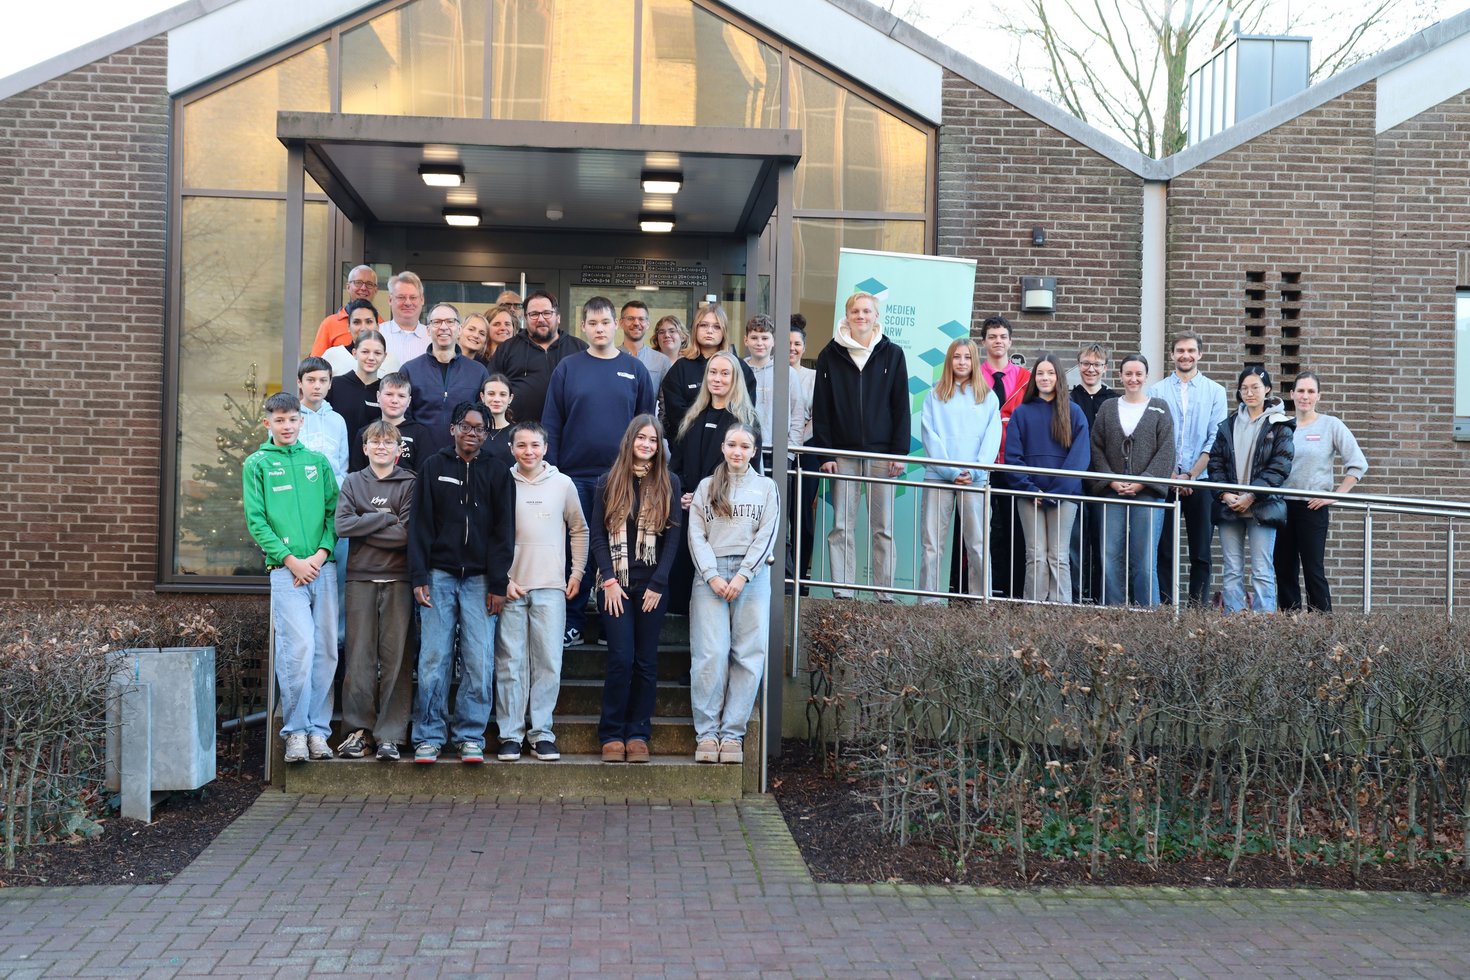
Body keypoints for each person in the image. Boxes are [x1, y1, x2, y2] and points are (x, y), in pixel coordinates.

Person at [543, 296, 657, 646]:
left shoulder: (634, 369)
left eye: (605, 322)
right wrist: (555, 474)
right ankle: (572, 623)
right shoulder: (567, 367)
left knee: (616, 549)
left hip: (621, 478)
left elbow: (646, 425)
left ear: (616, 324)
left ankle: (613, 626)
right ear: (583, 327)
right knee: (577, 551)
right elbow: (553, 423)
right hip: (574, 476)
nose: (599, 329)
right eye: (592, 323)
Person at [408, 402, 515, 765]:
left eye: (480, 428)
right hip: (438, 576)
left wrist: (498, 585)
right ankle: (429, 735)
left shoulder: (498, 473)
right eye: (466, 427)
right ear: (453, 428)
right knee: (433, 658)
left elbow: (505, 533)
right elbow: (419, 526)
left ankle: (470, 734)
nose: (472, 433)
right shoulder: (433, 468)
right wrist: (419, 575)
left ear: (487, 433)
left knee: (479, 659)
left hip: (481, 581)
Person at [242, 392, 339, 764]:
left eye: (292, 419)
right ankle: (295, 732)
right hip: (286, 574)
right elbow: (257, 520)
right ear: (267, 422)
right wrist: (291, 560)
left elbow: (334, 513)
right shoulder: (257, 464)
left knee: (326, 652)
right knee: (298, 651)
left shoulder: (318, 462)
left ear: (302, 421)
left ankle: (318, 731)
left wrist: (319, 555)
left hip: (322, 569)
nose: (286, 426)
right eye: (279, 420)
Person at [494, 421, 588, 763]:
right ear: (511, 448)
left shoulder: (563, 484)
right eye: (521, 445)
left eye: (535, 445)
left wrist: (576, 572)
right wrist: (501, 579)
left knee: (548, 662)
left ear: (545, 448)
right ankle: (510, 734)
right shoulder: (502, 481)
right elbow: (490, 535)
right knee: (510, 663)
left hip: (550, 588)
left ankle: (541, 732)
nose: (528, 451)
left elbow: (579, 529)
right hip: (512, 588)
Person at [687, 422, 780, 765]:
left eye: (745, 446)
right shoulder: (706, 487)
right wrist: (712, 576)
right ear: (723, 448)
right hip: (709, 578)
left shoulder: (767, 488)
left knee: (746, 655)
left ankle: (732, 735)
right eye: (731, 445)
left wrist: (743, 576)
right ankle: (707, 733)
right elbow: (696, 535)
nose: (737, 452)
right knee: (710, 655)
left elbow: (767, 534)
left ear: (754, 451)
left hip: (751, 579)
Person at [591, 416, 681, 763]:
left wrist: (659, 583)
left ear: (660, 447)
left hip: (652, 587)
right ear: (630, 441)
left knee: (646, 661)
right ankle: (612, 732)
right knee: (620, 658)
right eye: (641, 438)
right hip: (615, 585)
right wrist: (609, 580)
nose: (647, 445)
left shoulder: (669, 482)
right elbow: (598, 536)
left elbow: (673, 537)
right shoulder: (607, 482)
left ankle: (638, 732)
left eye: (653, 440)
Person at [811, 291, 910, 600]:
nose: (862, 316)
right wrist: (826, 453)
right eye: (856, 311)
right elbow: (822, 407)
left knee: (884, 528)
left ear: (876, 316)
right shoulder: (830, 354)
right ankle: (843, 591)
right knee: (841, 526)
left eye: (867, 311)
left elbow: (900, 406)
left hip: (882, 454)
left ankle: (884, 593)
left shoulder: (892, 354)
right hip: (843, 453)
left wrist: (899, 452)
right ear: (848, 315)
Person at [333, 420, 415, 762]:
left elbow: (407, 536)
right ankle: (357, 732)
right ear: (364, 448)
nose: (381, 447)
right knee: (359, 659)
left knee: (397, 660)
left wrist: (365, 523)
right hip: (360, 580)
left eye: (388, 442)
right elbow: (342, 526)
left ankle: (390, 736)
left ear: (399, 450)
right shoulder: (353, 481)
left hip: (399, 580)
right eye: (375, 442)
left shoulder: (410, 482)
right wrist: (385, 518)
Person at [670, 350, 763, 612]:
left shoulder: (746, 422)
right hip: (689, 514)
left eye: (725, 373)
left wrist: (705, 497)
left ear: (735, 379)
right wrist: (682, 494)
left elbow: (749, 476)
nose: (717, 379)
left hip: (725, 518)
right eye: (713, 372)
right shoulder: (691, 418)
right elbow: (674, 467)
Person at [1273, 372, 1368, 612]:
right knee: (1284, 570)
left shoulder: (1330, 425)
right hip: (1282, 507)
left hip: (1312, 507)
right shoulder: (1282, 425)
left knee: (1313, 570)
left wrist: (1336, 494)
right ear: (1292, 394)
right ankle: (1289, 627)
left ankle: (1321, 629)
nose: (1305, 396)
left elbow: (1358, 463)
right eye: (1301, 391)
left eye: (1310, 391)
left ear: (1318, 396)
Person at [1088, 354, 1175, 606]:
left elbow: (1167, 450)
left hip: (1147, 493)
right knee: (1109, 555)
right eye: (1128, 373)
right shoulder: (1108, 407)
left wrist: (1144, 481)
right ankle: (1113, 612)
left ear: (1146, 376)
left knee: (1145, 559)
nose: (1133, 379)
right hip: (1112, 493)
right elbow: (1097, 447)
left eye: (1138, 374)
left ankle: (1148, 618)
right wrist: (1111, 480)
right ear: (1120, 375)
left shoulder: (1160, 407)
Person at [1149, 331, 1228, 606]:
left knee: (1201, 552)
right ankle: (1166, 607)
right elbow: (1154, 437)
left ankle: (1196, 610)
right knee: (1164, 549)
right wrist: (1171, 474)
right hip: (1164, 480)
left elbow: (1216, 437)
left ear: (1200, 354)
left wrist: (1192, 474)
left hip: (1201, 480)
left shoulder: (1216, 392)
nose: (1186, 355)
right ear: (1172, 355)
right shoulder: (1155, 391)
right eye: (1180, 350)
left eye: (1191, 350)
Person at [918, 338, 1001, 603]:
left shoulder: (987, 397)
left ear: (974, 361)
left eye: (967, 357)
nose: (962, 362)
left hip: (975, 479)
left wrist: (974, 472)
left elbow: (992, 439)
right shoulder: (934, 395)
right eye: (957, 357)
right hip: (939, 477)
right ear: (949, 361)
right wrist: (951, 471)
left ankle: (981, 601)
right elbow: (930, 436)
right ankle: (928, 601)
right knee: (932, 545)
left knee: (977, 544)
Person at [1207, 366, 1295, 613]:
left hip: (1263, 507)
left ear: (1267, 389)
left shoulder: (1280, 424)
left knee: (1262, 570)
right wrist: (1225, 494)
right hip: (1229, 507)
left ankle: (1263, 625)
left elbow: (1280, 468)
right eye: (1244, 388)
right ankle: (1232, 623)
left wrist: (1251, 495)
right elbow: (1215, 463)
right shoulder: (1228, 424)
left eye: (1255, 387)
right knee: (1232, 568)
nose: (1249, 392)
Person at [1005, 353, 1090, 603]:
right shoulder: (1022, 413)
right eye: (1040, 373)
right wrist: (1030, 490)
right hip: (1029, 496)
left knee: (1059, 555)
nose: (1045, 377)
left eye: (1050, 373)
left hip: (1064, 496)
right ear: (1034, 378)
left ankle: (1061, 609)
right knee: (1036, 554)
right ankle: (1034, 607)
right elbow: (1012, 457)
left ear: (1059, 377)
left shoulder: (1073, 412)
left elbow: (1079, 457)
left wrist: (1055, 492)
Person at [980, 315, 1030, 598]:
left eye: (1002, 337)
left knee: (1015, 531)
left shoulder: (1026, 378)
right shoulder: (974, 374)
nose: (998, 341)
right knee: (982, 531)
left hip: (1014, 462)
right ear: (984, 342)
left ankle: (1014, 594)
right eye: (992, 337)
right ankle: (976, 592)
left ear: (1010, 341)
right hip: (982, 463)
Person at [400, 303, 491, 457]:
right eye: (436, 322)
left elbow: (485, 419)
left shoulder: (478, 372)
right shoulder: (410, 370)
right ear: (428, 330)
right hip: (420, 458)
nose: (443, 327)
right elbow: (404, 418)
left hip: (464, 459)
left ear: (459, 329)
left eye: (450, 322)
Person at [487, 290, 588, 424]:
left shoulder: (579, 349)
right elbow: (491, 387)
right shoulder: (508, 348)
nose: (541, 319)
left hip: (568, 433)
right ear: (525, 317)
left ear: (558, 317)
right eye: (534, 314)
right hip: (518, 433)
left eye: (547, 313)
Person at [1069, 343, 1119, 603]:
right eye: (1086, 364)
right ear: (1079, 366)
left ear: (1105, 368)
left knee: (1104, 545)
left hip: (1104, 481)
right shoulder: (1068, 398)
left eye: (1097, 364)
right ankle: (1076, 596)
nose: (1091, 369)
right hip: (1075, 481)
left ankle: (1103, 600)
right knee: (1075, 544)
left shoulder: (1114, 400)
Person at [660, 303, 758, 435]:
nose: (709, 331)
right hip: (689, 447)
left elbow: (745, 412)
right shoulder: (680, 369)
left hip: (728, 447)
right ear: (695, 329)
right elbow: (675, 416)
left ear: (724, 331)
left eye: (716, 326)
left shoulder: (740, 368)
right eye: (704, 325)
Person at [742, 313, 805, 475]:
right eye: (754, 337)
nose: (759, 343)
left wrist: (790, 452)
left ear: (773, 341)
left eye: (765, 338)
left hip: (779, 452)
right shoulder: (738, 370)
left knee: (779, 500)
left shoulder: (787, 373)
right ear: (746, 340)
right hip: (744, 450)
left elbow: (797, 415)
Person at [786, 316, 818, 587]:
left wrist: (797, 442)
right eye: (786, 343)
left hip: (806, 452)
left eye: (797, 344)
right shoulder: (771, 374)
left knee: (802, 515)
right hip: (776, 451)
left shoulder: (813, 378)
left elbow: (816, 417)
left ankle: (800, 575)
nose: (792, 348)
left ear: (804, 348)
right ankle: (780, 572)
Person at [327, 326, 385, 473]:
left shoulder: (387, 391)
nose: (371, 357)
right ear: (354, 353)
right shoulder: (335, 385)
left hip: (374, 470)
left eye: (377, 353)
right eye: (365, 352)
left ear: (384, 356)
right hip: (337, 468)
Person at [296, 356, 348, 484]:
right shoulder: (290, 419)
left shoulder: (338, 420)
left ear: (330, 384)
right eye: (311, 380)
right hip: (300, 491)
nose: (317, 386)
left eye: (323, 380)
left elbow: (343, 466)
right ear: (299, 382)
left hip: (332, 494)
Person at [309, 264, 379, 357]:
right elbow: (315, 365)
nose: (363, 288)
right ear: (348, 287)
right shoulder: (329, 324)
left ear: (376, 290)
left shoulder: (382, 324)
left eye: (369, 284)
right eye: (358, 282)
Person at [371, 372, 431, 473]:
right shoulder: (367, 432)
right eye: (389, 394)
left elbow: (423, 475)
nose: (395, 400)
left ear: (409, 401)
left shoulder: (420, 434)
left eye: (401, 396)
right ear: (378, 396)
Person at [322, 299, 388, 376]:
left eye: (369, 322)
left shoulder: (390, 360)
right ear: (348, 327)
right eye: (357, 322)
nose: (363, 328)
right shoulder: (332, 355)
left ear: (378, 326)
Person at [619, 300, 673, 391]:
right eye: (630, 318)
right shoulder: (609, 358)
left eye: (641, 319)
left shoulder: (661, 361)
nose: (636, 323)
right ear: (621, 323)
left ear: (647, 324)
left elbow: (667, 403)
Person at [380, 271, 429, 369]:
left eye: (413, 297)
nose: (407, 303)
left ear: (422, 300)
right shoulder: (378, 333)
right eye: (401, 297)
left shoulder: (432, 337)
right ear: (390, 300)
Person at [479, 373, 516, 469]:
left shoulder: (517, 434)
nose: (496, 399)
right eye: (491, 394)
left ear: (510, 398)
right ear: (482, 397)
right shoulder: (473, 431)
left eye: (503, 394)